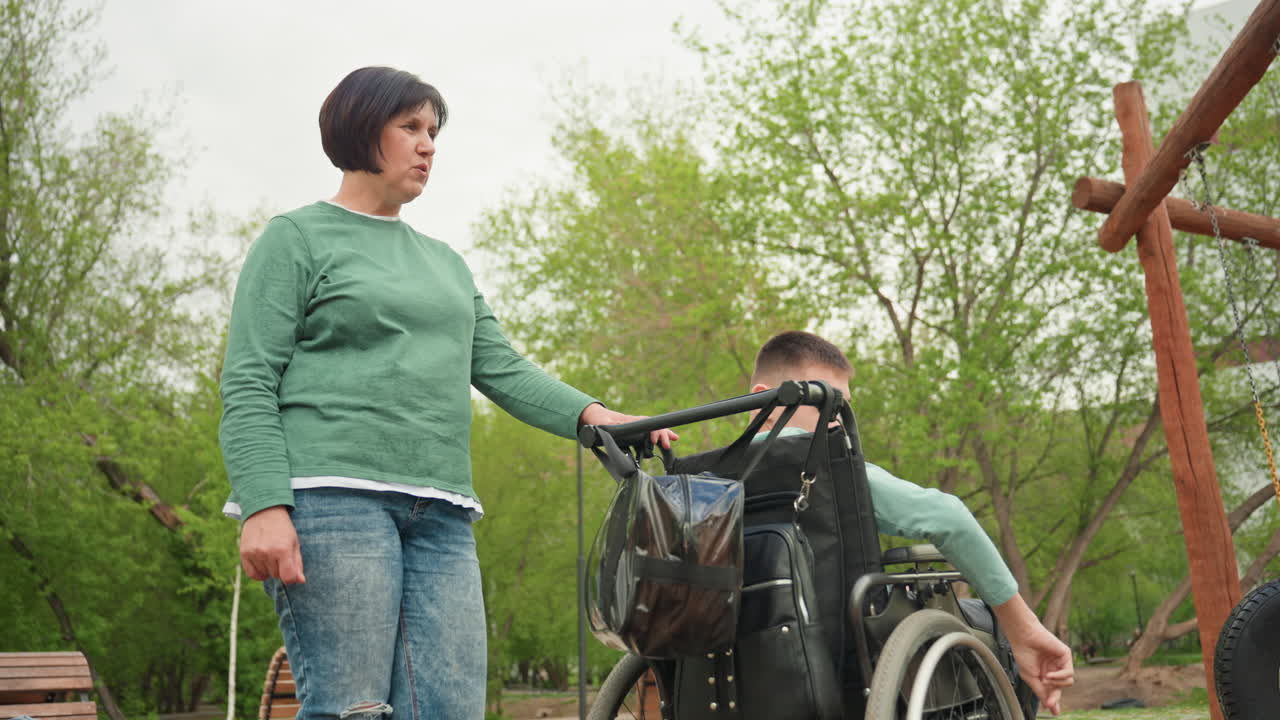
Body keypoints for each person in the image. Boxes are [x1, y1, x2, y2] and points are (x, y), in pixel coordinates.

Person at [218, 66, 672, 720]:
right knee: (354, 708)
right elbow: (249, 381)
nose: (428, 144)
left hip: (442, 512)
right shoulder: (296, 239)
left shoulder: (445, 264)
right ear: (358, 128)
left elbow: (504, 370)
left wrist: (598, 416)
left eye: (434, 131)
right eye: (410, 127)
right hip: (331, 501)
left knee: (451, 708)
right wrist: (263, 504)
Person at [748, 330, 1075, 715]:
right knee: (992, 623)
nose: (837, 422)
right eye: (827, 403)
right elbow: (950, 519)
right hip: (847, 658)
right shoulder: (827, 468)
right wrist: (1025, 629)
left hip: (751, 669)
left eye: (843, 408)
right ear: (763, 399)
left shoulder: (706, 487)